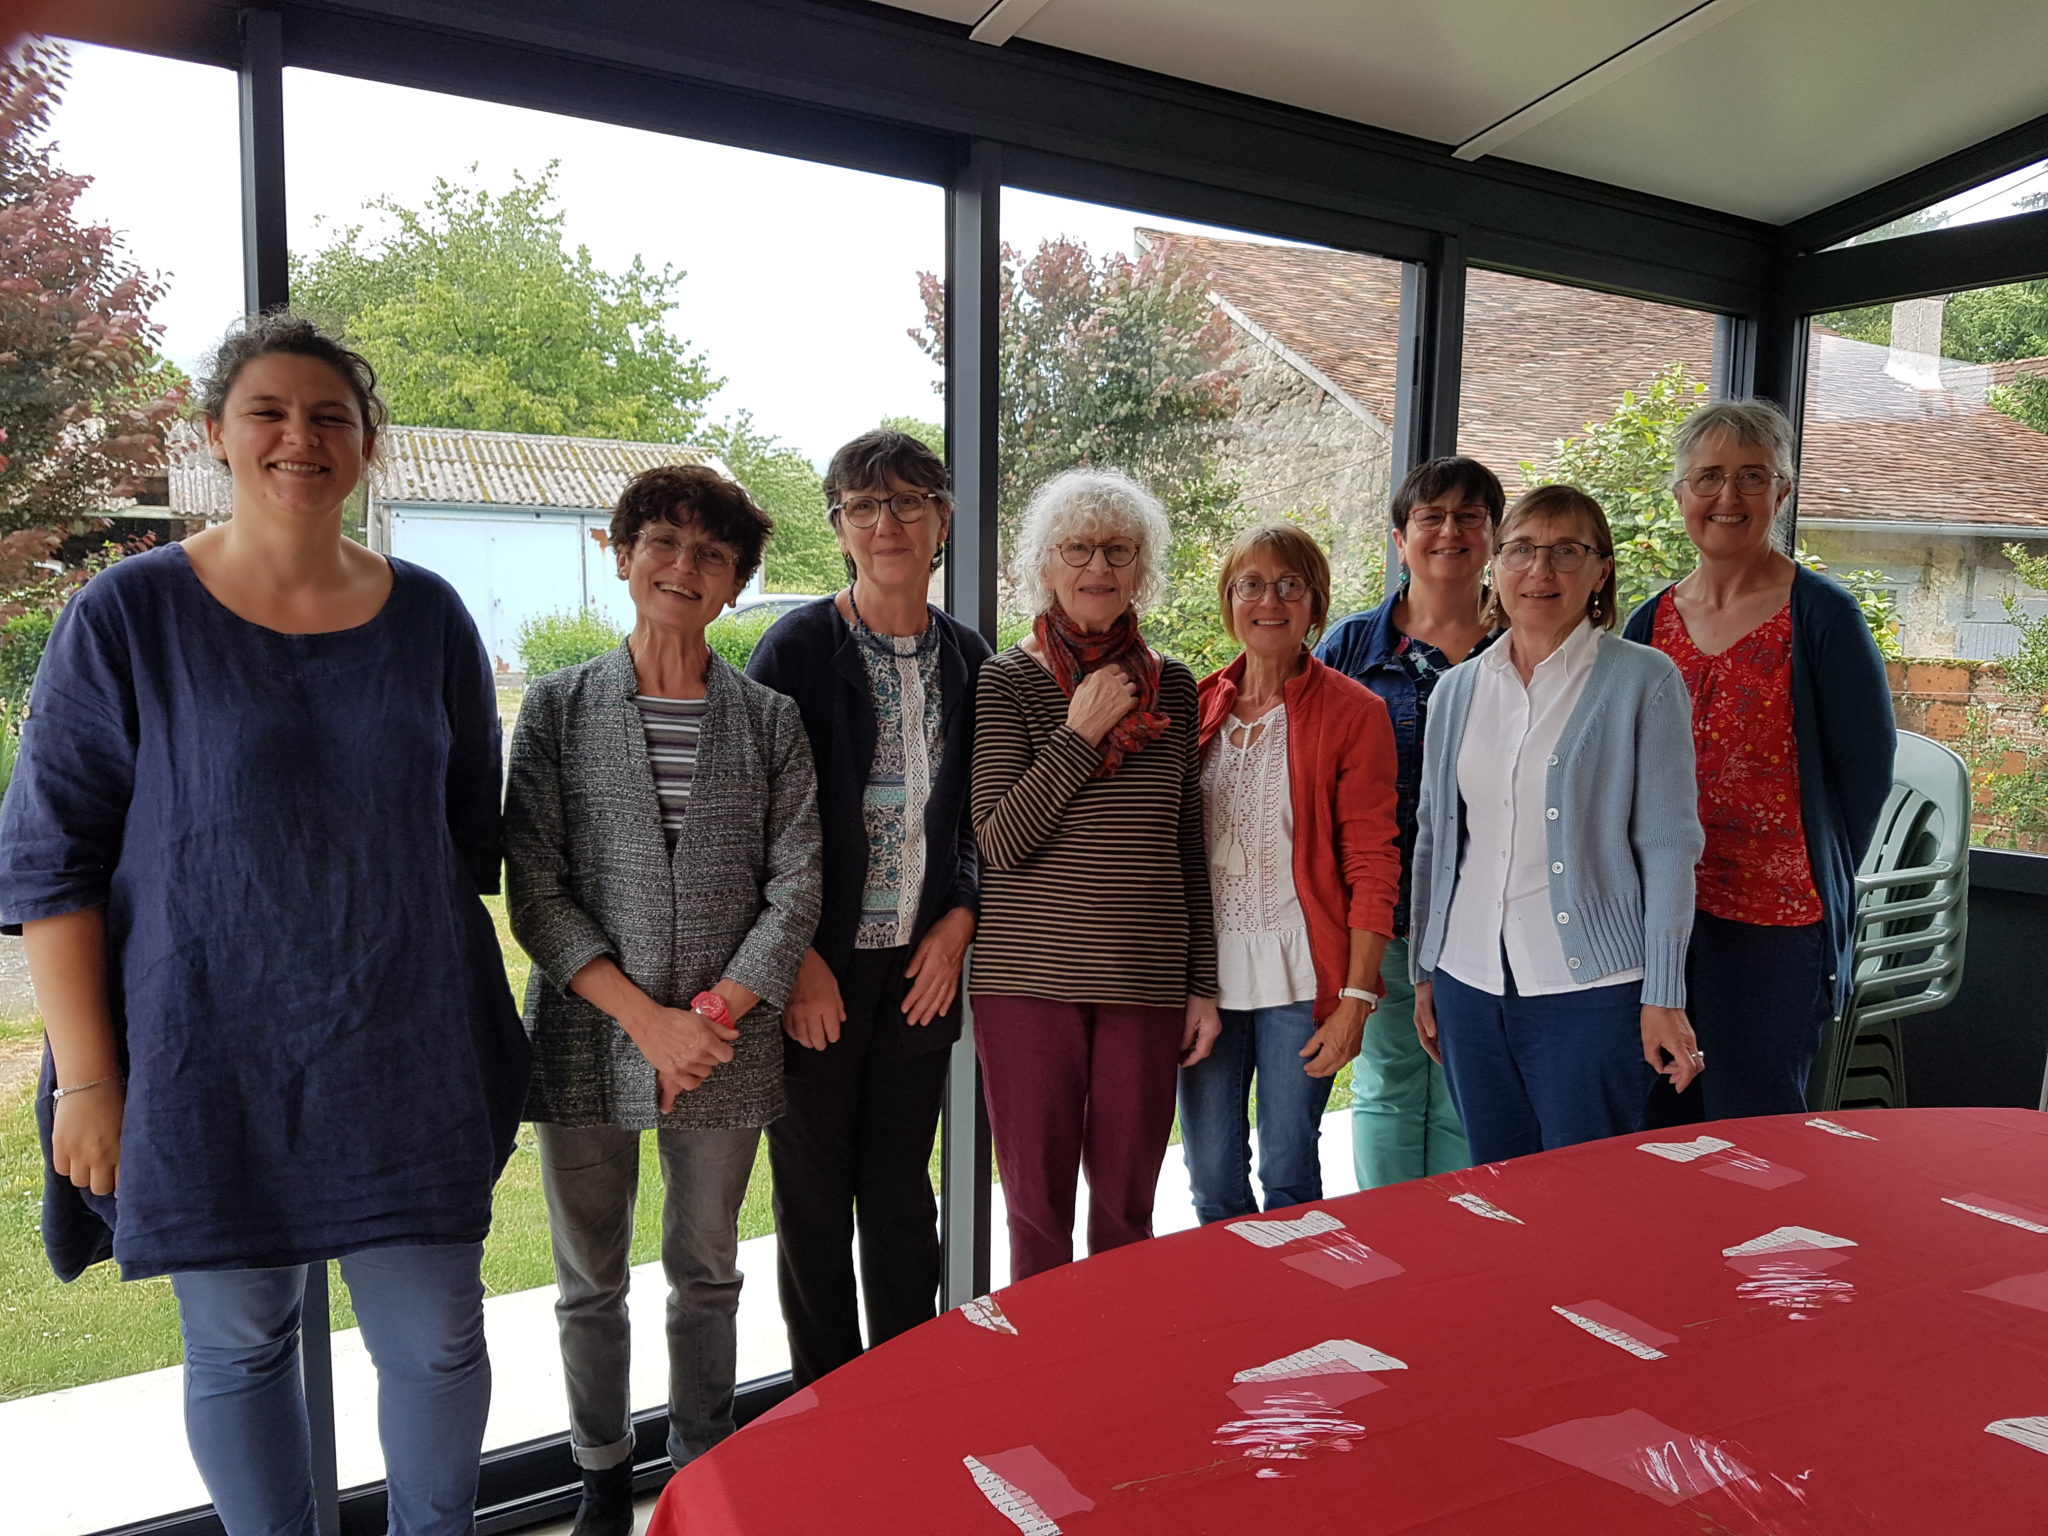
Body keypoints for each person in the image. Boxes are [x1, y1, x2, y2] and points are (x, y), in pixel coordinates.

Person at [0, 312, 529, 1536]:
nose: (302, 437)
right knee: (240, 1347)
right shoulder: (127, 615)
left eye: (331, 416)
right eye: (270, 413)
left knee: (438, 1343)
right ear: (217, 436)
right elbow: (49, 862)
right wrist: (90, 1079)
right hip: (205, 1057)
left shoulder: (432, 619)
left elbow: (460, 842)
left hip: (406, 1054)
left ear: (367, 445)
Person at [504, 465, 821, 1536]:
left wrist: (711, 1020)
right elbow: (534, 889)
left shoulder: (771, 720)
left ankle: (699, 1468)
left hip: (729, 1048)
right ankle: (601, 1477)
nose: (684, 567)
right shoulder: (557, 709)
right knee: (588, 1278)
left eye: (711, 555)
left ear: (734, 584)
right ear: (624, 554)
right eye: (664, 544)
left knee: (707, 1270)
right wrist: (649, 1023)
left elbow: (797, 886)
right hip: (589, 1039)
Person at [745, 429, 991, 1386]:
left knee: (900, 1194)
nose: (887, 523)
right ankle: (825, 1400)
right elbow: (757, 818)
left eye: (908, 502)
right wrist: (797, 958)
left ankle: (906, 1388)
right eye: (864, 506)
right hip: (819, 969)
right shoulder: (798, 649)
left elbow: (976, 817)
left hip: (920, 968)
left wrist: (959, 921)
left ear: (942, 521)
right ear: (839, 527)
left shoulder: (969, 657)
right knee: (812, 1199)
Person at [970, 468, 1219, 1282]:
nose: (1098, 567)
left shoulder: (1174, 686)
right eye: (1077, 548)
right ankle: (1047, 1357)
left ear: (1142, 569)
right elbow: (1000, 840)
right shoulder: (1006, 681)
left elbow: (1186, 845)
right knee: (1036, 1215)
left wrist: (1201, 985)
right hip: (1027, 983)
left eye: (1119, 550)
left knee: (1126, 1210)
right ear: (1045, 564)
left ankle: (1121, 1351)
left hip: (1144, 981)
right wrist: (1080, 734)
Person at [1409, 484, 1706, 1163]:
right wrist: (1426, 968)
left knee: (1586, 1189)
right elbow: (1435, 839)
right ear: (1496, 564)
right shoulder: (1457, 690)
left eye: (1566, 551)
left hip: (1590, 995)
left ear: (1601, 571)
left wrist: (1664, 993)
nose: (1540, 570)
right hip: (1467, 983)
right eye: (1520, 550)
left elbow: (1669, 846)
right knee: (1497, 1182)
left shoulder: (1643, 680)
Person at [1626, 399, 1896, 1121]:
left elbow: (1865, 773)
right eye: (1708, 476)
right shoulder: (1648, 622)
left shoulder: (1823, 618)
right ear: (1680, 494)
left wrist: (1805, 868)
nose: (1729, 495)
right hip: (1661, 917)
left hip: (1776, 924)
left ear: (1782, 493)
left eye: (1753, 476)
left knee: (1754, 1127)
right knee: (1655, 1120)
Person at [1181, 523, 1401, 1223]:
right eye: (1250, 585)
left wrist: (1357, 998)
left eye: (1289, 586)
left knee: (1289, 1172)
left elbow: (1373, 862)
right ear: (1229, 600)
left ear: (1315, 603)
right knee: (1211, 1177)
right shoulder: (1196, 706)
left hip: (1302, 980)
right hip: (1207, 983)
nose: (1269, 601)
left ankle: (1297, 1292)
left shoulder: (1354, 712)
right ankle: (1233, 1292)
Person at [1317, 456, 1505, 1188]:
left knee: (1469, 1085)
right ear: (1400, 540)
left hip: (1492, 912)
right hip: (1383, 910)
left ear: (1494, 535)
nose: (1449, 532)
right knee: (1390, 1081)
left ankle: (1462, 1239)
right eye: (1431, 518)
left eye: (1469, 517)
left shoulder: (1526, 641)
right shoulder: (1352, 649)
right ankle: (1393, 1243)